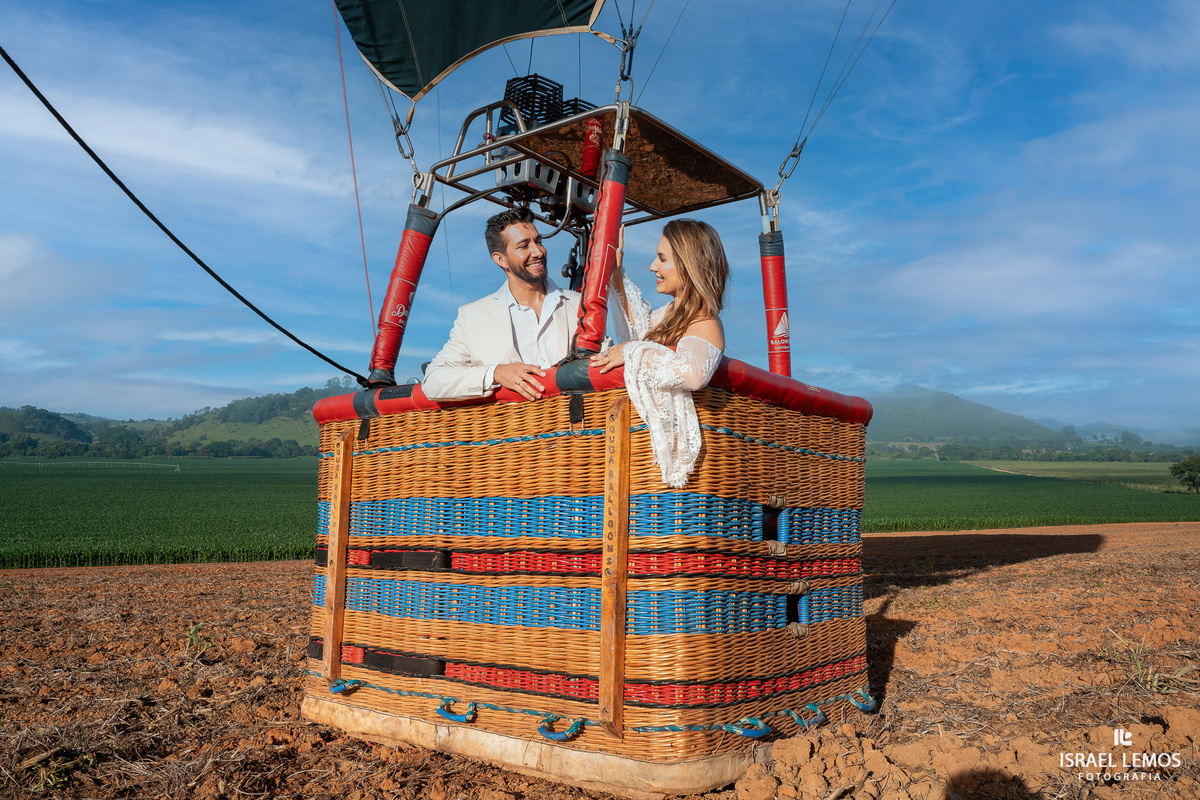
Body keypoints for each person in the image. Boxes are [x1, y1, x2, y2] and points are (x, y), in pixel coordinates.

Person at [590, 219, 729, 487]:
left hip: (685, 480)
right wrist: (615, 272)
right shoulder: (668, 316)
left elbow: (693, 374)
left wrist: (631, 350)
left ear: (689, 266)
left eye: (662, 259)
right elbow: (639, 330)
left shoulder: (705, 322)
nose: (653, 266)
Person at [422, 207, 581, 402]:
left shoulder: (580, 304)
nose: (537, 252)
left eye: (538, 242)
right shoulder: (472, 317)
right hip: (512, 429)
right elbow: (433, 381)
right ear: (500, 259)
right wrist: (495, 373)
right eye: (524, 246)